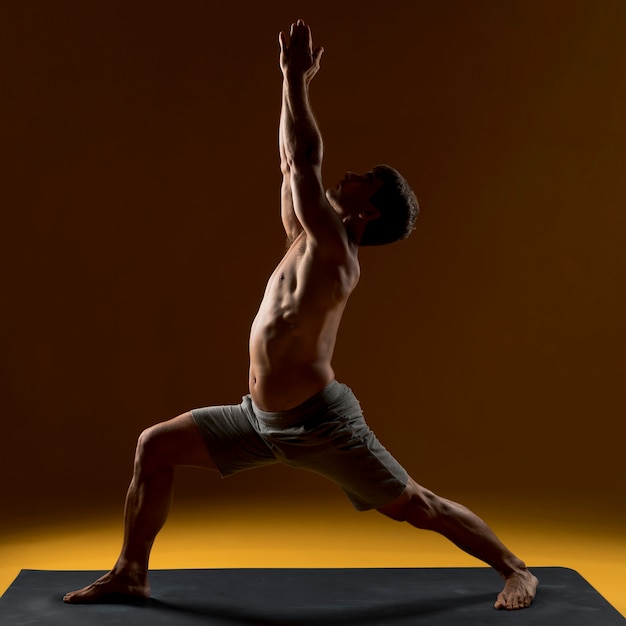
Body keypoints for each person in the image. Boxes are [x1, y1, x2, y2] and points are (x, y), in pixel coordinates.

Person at [64, 19, 538, 611]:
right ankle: (131, 572)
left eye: (364, 181)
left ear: (367, 214)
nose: (352, 175)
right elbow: (292, 166)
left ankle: (516, 569)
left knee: (420, 506)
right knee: (154, 446)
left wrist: (294, 80)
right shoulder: (306, 238)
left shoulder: (338, 252)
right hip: (258, 420)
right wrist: (287, 88)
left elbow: (304, 161)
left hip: (321, 426)